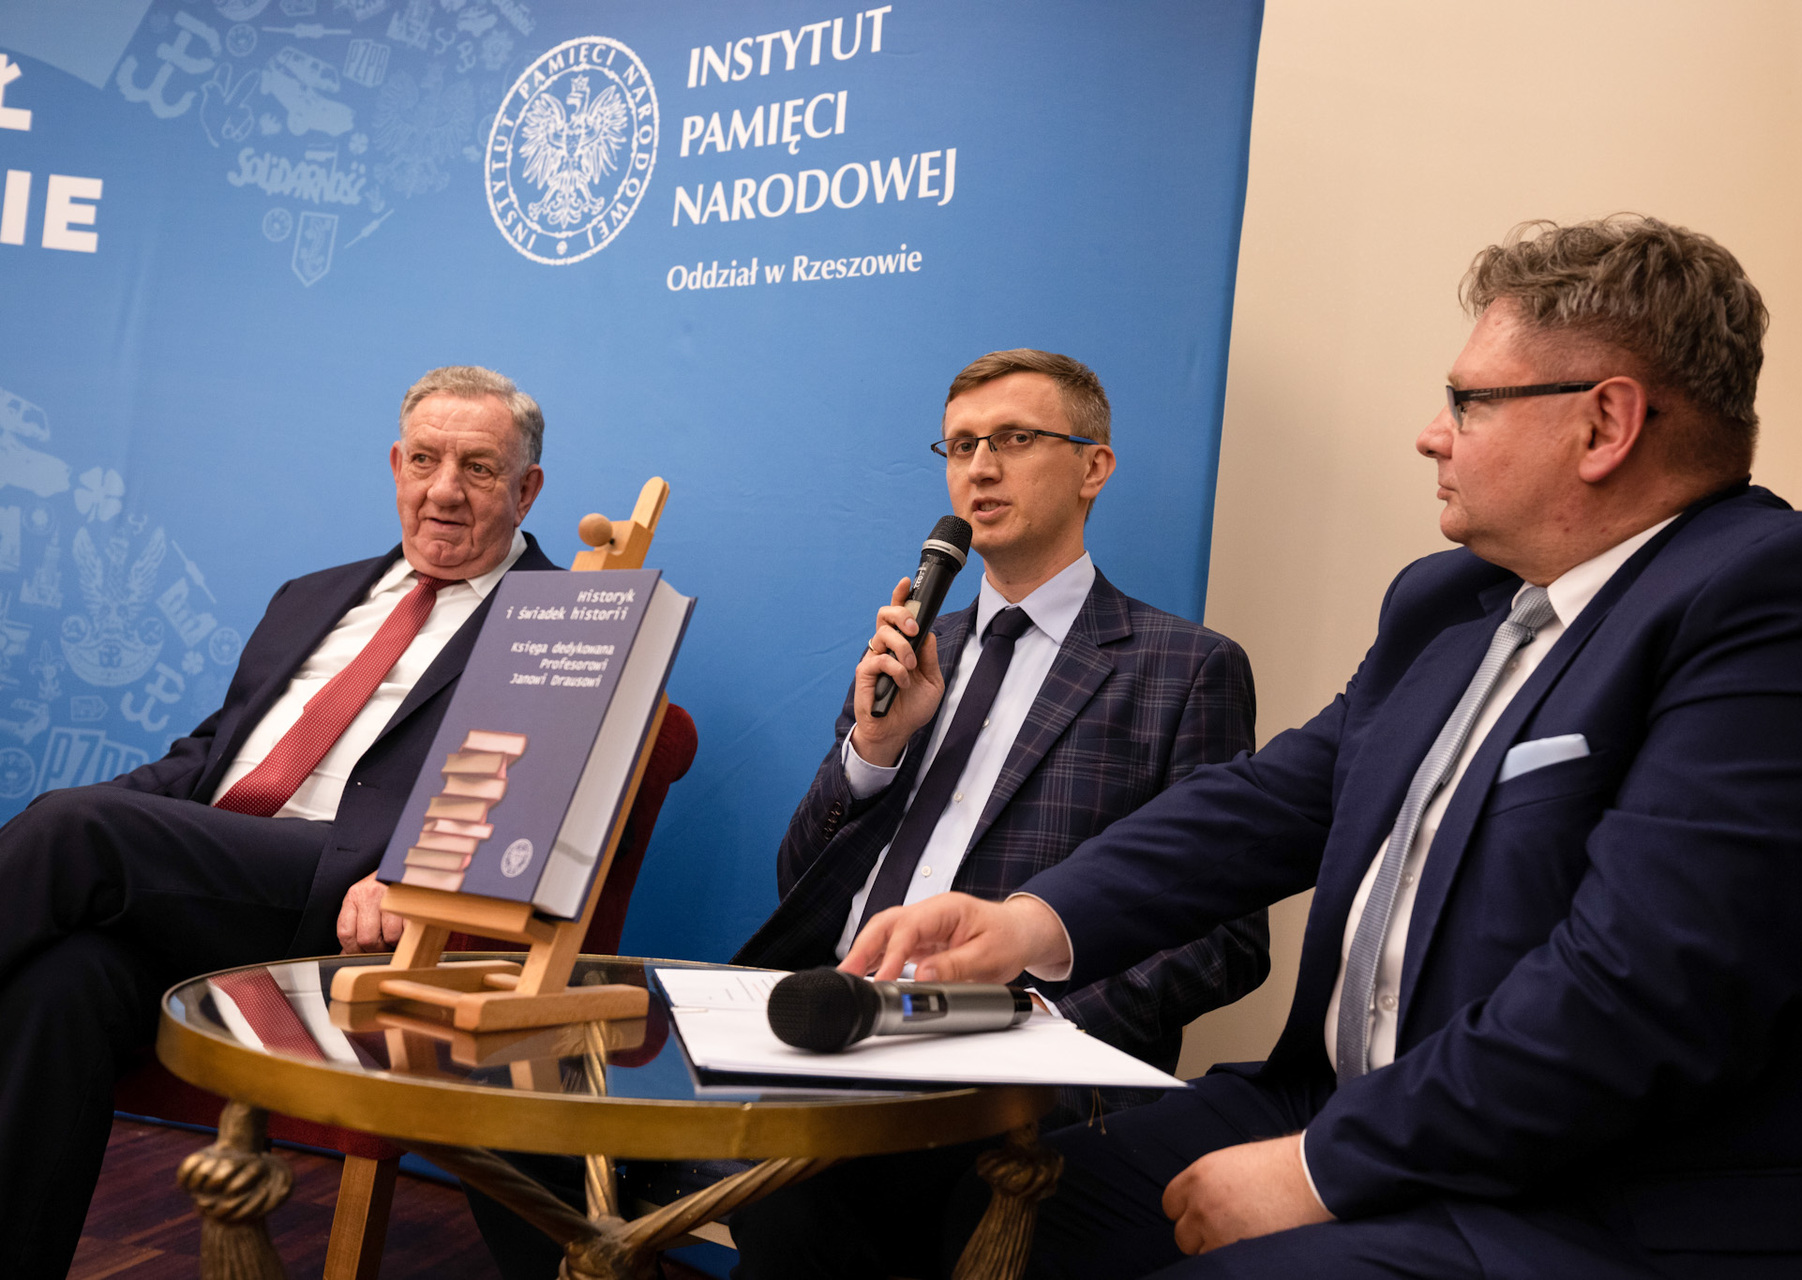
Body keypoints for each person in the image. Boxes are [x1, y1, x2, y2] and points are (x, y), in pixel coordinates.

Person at [845, 218, 1802, 1278]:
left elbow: (1645, 990)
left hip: (1596, 1190)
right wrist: (1027, 922)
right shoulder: (1448, 604)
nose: (1432, 434)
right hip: (1339, 1099)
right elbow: (1270, 802)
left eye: (1468, 401)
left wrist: (1320, 1170)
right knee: (1016, 1206)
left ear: (1605, 424)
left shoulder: (1792, 604)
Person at [468, 350, 1267, 1280]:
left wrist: (1036, 1014)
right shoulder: (916, 647)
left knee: (804, 1190)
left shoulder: (1182, 668)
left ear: (1095, 466)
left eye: (1014, 439)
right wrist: (875, 750)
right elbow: (799, 878)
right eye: (961, 445)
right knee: (513, 1106)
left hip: (991, 1057)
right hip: (824, 1010)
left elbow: (1224, 935)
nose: (980, 468)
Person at [0, 364, 557, 1278]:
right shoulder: (314, 594)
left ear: (527, 488)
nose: (444, 491)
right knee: (62, 982)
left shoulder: (558, 624)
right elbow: (208, 757)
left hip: (343, 893)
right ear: (396, 465)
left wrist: (419, 874)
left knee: (75, 830)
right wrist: (101, 815)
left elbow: (547, 796)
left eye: (480, 468)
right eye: (425, 460)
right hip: (213, 880)